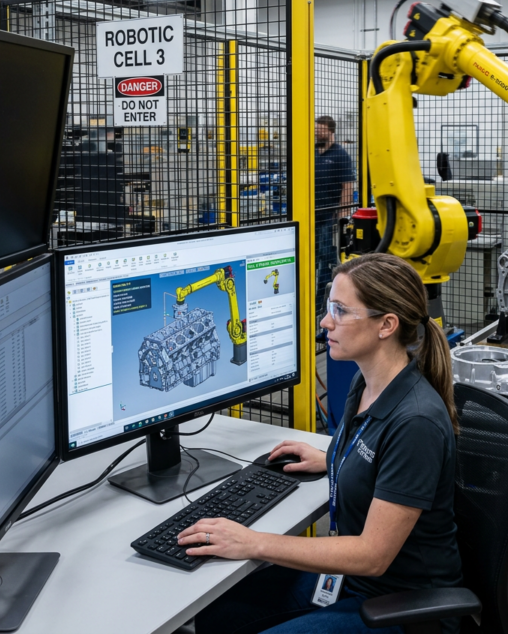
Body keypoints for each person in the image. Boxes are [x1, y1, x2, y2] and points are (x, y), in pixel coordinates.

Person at [185, 253, 463, 634]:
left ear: (386, 325)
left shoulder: (416, 422)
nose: (325, 322)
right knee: (218, 615)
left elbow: (372, 556)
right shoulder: (365, 384)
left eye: (340, 311)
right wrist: (332, 458)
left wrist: (253, 543)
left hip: (403, 606)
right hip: (352, 581)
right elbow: (372, 452)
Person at [315, 115, 355, 315]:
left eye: (321, 130)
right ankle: (309, 301)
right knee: (310, 259)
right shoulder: (312, 153)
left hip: (329, 219)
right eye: (316, 129)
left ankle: (321, 304)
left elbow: (347, 186)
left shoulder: (340, 155)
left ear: (331, 131)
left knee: (326, 261)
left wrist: (342, 217)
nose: (317, 133)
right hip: (311, 217)